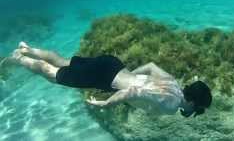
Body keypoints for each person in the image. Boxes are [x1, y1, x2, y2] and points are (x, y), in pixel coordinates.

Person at [7, 41, 212, 117]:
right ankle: (19, 57)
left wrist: (127, 77)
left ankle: (27, 48)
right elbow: (133, 91)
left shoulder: (173, 82)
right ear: (192, 102)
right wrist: (106, 104)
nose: (195, 112)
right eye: (198, 109)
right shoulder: (172, 104)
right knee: (52, 74)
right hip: (105, 77)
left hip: (113, 65)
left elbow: (150, 66)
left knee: (62, 62)